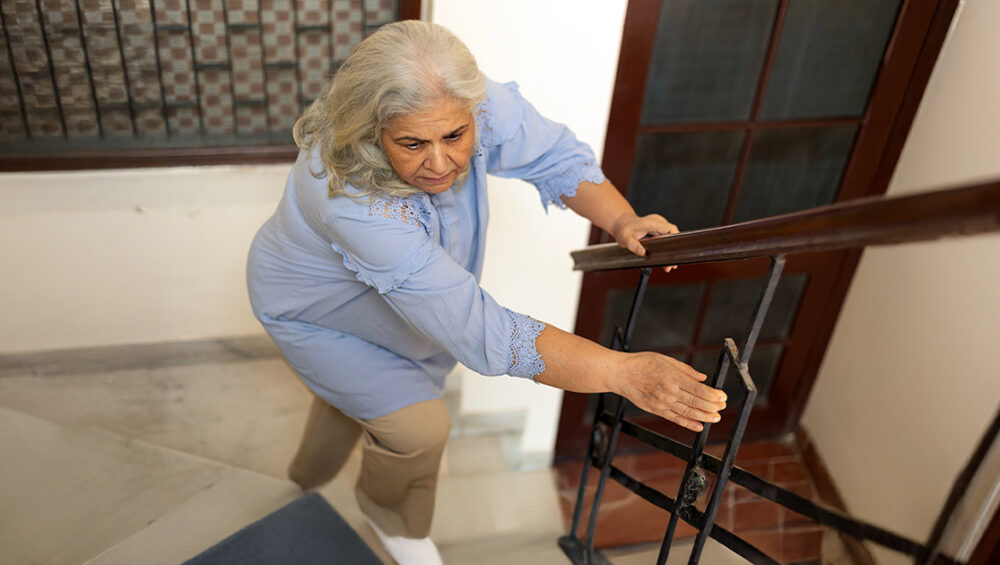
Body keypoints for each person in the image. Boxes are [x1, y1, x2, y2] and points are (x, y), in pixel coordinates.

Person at [246, 20, 726, 565]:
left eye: (455, 137)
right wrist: (621, 373)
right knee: (418, 426)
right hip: (315, 311)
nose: (440, 162)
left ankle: (303, 480)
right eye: (411, 143)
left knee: (357, 395)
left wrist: (621, 219)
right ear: (369, 130)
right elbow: (480, 330)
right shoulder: (351, 200)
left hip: (398, 304)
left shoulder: (460, 100)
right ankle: (388, 514)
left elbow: (554, 155)